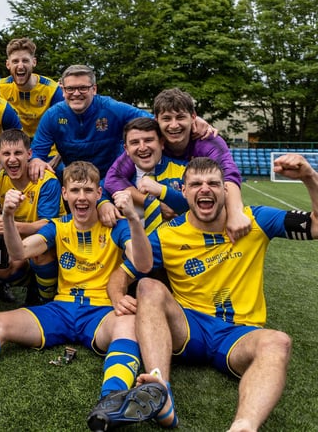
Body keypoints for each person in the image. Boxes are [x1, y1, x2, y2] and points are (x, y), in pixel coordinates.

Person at [0, 161, 168, 432]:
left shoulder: (116, 226)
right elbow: (20, 252)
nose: (81, 197)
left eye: (87, 191)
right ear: (65, 194)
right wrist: (8, 218)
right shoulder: (59, 226)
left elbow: (143, 265)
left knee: (128, 325)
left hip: (100, 312)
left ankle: (113, 401)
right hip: (61, 308)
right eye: (75, 191)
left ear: (98, 194)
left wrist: (132, 218)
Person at [124, 155, 318, 430]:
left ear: (225, 190)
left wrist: (309, 176)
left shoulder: (256, 220)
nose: (205, 189)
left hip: (240, 333)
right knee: (148, 286)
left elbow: (316, 225)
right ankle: (160, 390)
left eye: (213, 183)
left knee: (278, 342)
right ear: (184, 191)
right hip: (190, 327)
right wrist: (117, 295)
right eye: (196, 184)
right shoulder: (168, 234)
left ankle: (244, 426)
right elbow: (131, 269)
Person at [104, 88, 250, 242]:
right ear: (156, 120)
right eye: (167, 118)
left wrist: (235, 213)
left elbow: (229, 173)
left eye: (180, 117)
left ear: (193, 117)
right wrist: (151, 202)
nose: (174, 125)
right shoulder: (149, 144)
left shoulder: (207, 140)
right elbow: (113, 177)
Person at [28, 65, 152, 182]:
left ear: (94, 89)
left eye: (83, 88)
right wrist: (36, 160)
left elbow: (152, 121)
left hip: (114, 179)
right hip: (76, 182)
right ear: (63, 91)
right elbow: (38, 151)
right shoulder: (52, 116)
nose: (76, 93)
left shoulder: (112, 109)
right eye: (70, 88)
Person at [0, 129, 64, 305]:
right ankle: (14, 282)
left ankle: (45, 299)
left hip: (51, 241)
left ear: (29, 154)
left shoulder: (46, 180)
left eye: (18, 153)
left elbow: (48, 224)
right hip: (18, 243)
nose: (12, 159)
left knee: (40, 252)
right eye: (6, 153)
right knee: (3, 271)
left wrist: (12, 225)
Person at [108, 117, 188, 234]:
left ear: (161, 143)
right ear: (127, 149)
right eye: (135, 142)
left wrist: (163, 191)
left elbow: (197, 204)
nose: (143, 147)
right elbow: (97, 191)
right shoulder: (120, 178)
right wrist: (102, 204)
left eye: (148, 140)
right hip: (133, 248)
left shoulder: (185, 170)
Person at [0, 37, 63, 140]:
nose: (20, 66)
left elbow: (63, 127)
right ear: (8, 64)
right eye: (15, 61)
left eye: (25, 61)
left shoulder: (52, 89)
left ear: (34, 62)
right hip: (15, 147)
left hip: (47, 148)